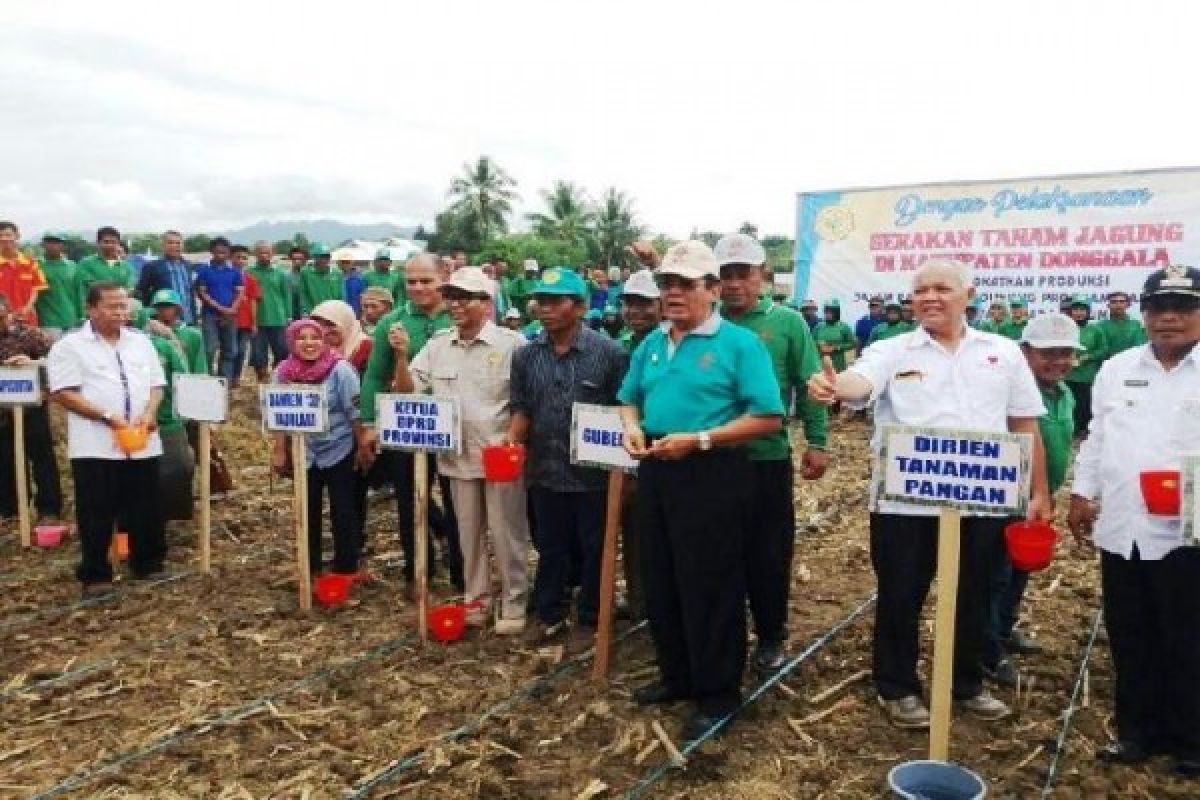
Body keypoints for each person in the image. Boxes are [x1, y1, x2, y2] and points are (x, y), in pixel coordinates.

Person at [808, 258, 1051, 729]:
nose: (930, 298)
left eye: (942, 288)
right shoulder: (892, 349)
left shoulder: (1002, 351)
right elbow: (860, 384)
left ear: (968, 295)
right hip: (905, 500)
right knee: (901, 593)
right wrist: (837, 385)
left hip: (983, 499)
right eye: (920, 290)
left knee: (974, 594)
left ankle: (966, 684)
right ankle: (897, 687)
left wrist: (1037, 491)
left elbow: (1024, 423)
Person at [619, 240, 784, 741]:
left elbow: (768, 416)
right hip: (658, 469)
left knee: (710, 584)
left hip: (713, 473)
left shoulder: (738, 344)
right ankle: (677, 675)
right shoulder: (651, 344)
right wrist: (631, 427)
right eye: (666, 284)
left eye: (685, 285)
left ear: (712, 290)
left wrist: (702, 439)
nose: (672, 294)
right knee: (662, 575)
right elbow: (629, 398)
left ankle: (717, 694)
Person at [1068, 264, 1200, 776]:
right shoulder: (1118, 367)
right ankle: (1137, 733)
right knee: (1131, 633)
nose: (1169, 318)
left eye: (1183, 307)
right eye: (1158, 308)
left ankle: (1191, 740)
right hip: (1125, 527)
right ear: (1144, 314)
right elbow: (1099, 435)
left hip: (1191, 530)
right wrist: (1082, 493)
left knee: (1187, 634)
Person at [389, 266, 530, 633]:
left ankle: (514, 599)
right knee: (467, 533)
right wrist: (402, 356)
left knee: (507, 532)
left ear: (486, 303)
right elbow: (407, 393)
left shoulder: (512, 345)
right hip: (456, 457)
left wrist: (513, 438)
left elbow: (526, 401)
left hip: (499, 456)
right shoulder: (438, 346)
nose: (455, 305)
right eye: (451, 297)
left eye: (464, 298)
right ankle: (477, 598)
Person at [716, 233, 829, 673]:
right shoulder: (707, 323)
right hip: (713, 460)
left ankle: (770, 634)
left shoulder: (786, 323)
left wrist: (817, 443)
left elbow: (811, 384)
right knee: (720, 549)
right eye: (725, 275)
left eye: (742, 274)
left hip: (765, 458)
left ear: (762, 275)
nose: (734, 284)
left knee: (768, 551)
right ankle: (724, 631)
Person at [508, 267, 627, 646]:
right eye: (540, 301)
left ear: (578, 307)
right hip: (544, 468)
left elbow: (624, 410)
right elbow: (522, 406)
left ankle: (591, 617)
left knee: (595, 546)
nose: (545, 308)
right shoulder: (526, 356)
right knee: (550, 544)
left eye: (555, 301)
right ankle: (549, 612)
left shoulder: (609, 353)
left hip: (593, 473)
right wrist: (513, 442)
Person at [47, 281, 168, 596]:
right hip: (96, 445)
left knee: (146, 505)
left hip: (141, 439)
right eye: (111, 306)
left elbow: (157, 384)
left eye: (123, 306)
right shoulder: (70, 346)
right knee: (96, 509)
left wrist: (151, 412)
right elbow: (63, 392)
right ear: (90, 309)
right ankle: (96, 574)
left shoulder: (141, 343)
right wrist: (107, 417)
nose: (120, 312)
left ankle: (148, 563)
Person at [984, 313, 1080, 687]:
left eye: (1066, 353)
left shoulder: (1064, 393)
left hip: (1039, 499)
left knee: (1020, 571)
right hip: (1005, 500)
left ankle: (1005, 630)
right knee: (996, 575)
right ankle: (987, 651)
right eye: (1048, 353)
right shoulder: (1011, 391)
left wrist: (1046, 493)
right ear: (1024, 353)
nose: (1058, 361)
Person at [357, 254, 462, 594]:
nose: (417, 288)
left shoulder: (462, 314)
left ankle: (462, 573)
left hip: (455, 424)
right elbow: (375, 375)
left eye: (426, 281)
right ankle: (418, 570)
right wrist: (370, 423)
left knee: (457, 499)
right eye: (411, 282)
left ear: (444, 277)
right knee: (409, 498)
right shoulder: (394, 323)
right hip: (408, 423)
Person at [271, 318, 363, 578]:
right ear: (292, 342)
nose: (309, 343)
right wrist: (279, 450)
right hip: (304, 450)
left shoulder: (340, 370)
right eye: (302, 338)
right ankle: (308, 565)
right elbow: (277, 412)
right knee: (306, 507)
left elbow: (354, 412)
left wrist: (362, 447)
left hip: (339, 446)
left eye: (315, 338)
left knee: (342, 508)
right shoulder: (283, 372)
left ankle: (346, 567)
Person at [127, 299, 194, 522]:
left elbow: (182, 381)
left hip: (166, 420)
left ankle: (171, 518)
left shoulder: (163, 347)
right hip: (124, 424)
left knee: (175, 470)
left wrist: (183, 416)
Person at [0, 295, 62, 525]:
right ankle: (10, 508)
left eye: (1, 317)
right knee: (5, 457)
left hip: (32, 404)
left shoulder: (29, 334)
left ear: (8, 313)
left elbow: (57, 359)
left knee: (41, 455)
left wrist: (32, 362)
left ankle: (49, 508)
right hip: (2, 410)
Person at [193, 236, 244, 384]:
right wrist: (220, 308)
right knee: (209, 348)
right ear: (211, 252)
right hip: (210, 314)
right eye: (217, 252)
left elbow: (239, 292)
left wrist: (232, 309)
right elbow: (202, 293)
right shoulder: (204, 271)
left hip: (230, 315)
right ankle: (208, 379)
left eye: (224, 252)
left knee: (231, 350)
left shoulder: (235, 272)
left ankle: (224, 381)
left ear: (228, 253)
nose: (220, 255)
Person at [1065, 294, 1109, 434]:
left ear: (1088, 312)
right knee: (1068, 403)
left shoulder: (1095, 330)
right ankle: (1071, 430)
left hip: (1087, 376)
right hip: (1067, 375)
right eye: (1075, 309)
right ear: (1070, 312)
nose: (1078, 313)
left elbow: (1103, 350)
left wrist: (1087, 357)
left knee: (1085, 404)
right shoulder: (1065, 328)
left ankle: (1084, 430)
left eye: (1082, 310)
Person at [247, 241, 290, 381]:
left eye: (267, 252)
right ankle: (262, 379)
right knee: (259, 354)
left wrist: (288, 315)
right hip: (257, 319)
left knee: (282, 351)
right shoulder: (249, 272)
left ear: (272, 254)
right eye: (261, 253)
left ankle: (277, 377)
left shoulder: (280, 273)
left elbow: (286, 295)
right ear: (255, 254)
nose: (264, 256)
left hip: (278, 318)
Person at [135, 231, 197, 324]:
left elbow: (191, 293)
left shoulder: (189, 266)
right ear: (163, 245)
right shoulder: (152, 267)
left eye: (178, 243)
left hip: (188, 320)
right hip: (163, 321)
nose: (174, 245)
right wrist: (151, 314)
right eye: (170, 242)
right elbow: (141, 292)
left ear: (182, 246)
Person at [75, 226, 133, 315]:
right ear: (98, 243)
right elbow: (84, 289)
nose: (110, 245)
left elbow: (128, 290)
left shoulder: (126, 267)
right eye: (106, 242)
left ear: (118, 244)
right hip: (94, 313)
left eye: (113, 242)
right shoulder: (86, 264)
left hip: (118, 314)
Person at [0, 221, 48, 327]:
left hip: (27, 319)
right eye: (0, 236)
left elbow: (36, 288)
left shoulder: (30, 262)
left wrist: (27, 309)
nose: (4, 238)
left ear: (17, 236)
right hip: (2, 321)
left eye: (8, 235)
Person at [150, 290, 208, 375]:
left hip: (185, 384)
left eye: (168, 306)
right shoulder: (149, 336)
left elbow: (200, 368)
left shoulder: (193, 335)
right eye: (159, 306)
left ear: (177, 309)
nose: (163, 310)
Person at [35, 232, 80, 338]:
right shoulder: (36, 265)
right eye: (49, 242)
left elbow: (78, 292)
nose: (52, 245)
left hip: (71, 319)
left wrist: (81, 316)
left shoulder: (72, 266)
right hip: (48, 321)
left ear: (63, 245)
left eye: (56, 242)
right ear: (43, 244)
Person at [230, 245, 259, 388]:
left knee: (241, 351)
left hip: (246, 322)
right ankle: (227, 378)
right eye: (237, 257)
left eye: (244, 258)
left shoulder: (251, 280)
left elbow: (253, 302)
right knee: (230, 350)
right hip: (230, 321)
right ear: (231, 258)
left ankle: (236, 377)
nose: (240, 261)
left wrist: (254, 322)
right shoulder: (226, 277)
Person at [617, 270, 661, 353]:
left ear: (662, 305)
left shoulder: (674, 347)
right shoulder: (619, 347)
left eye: (644, 302)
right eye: (629, 303)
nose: (634, 311)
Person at [1096, 290, 1147, 359]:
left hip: (1132, 365)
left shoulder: (1136, 325)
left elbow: (1140, 348)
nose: (1118, 305)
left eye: (1122, 302)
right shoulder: (1100, 326)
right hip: (1108, 366)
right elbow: (1101, 351)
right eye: (1114, 302)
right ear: (1108, 305)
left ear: (1128, 305)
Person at [299, 243, 344, 315]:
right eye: (322, 256)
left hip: (333, 314)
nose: (325, 259)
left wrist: (341, 311)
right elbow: (303, 294)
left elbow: (341, 295)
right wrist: (304, 311)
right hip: (314, 313)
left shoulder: (337, 273)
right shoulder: (306, 272)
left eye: (327, 256)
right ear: (315, 257)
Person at [813, 300, 855, 371]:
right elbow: (811, 341)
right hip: (820, 362)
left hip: (837, 363)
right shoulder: (819, 326)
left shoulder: (844, 327)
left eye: (830, 312)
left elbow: (852, 343)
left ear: (836, 313)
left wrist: (836, 347)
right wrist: (819, 344)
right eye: (826, 312)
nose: (827, 315)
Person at [339, 252, 367, 316]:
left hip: (355, 312)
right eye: (343, 262)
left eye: (348, 262)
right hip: (339, 311)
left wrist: (362, 313)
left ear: (352, 263)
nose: (345, 264)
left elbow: (363, 296)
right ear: (339, 264)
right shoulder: (335, 278)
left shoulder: (359, 279)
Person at [286, 245, 308, 320]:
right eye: (294, 259)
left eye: (300, 259)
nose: (297, 261)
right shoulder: (286, 277)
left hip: (310, 314)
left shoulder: (310, 275)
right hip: (292, 316)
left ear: (305, 259)